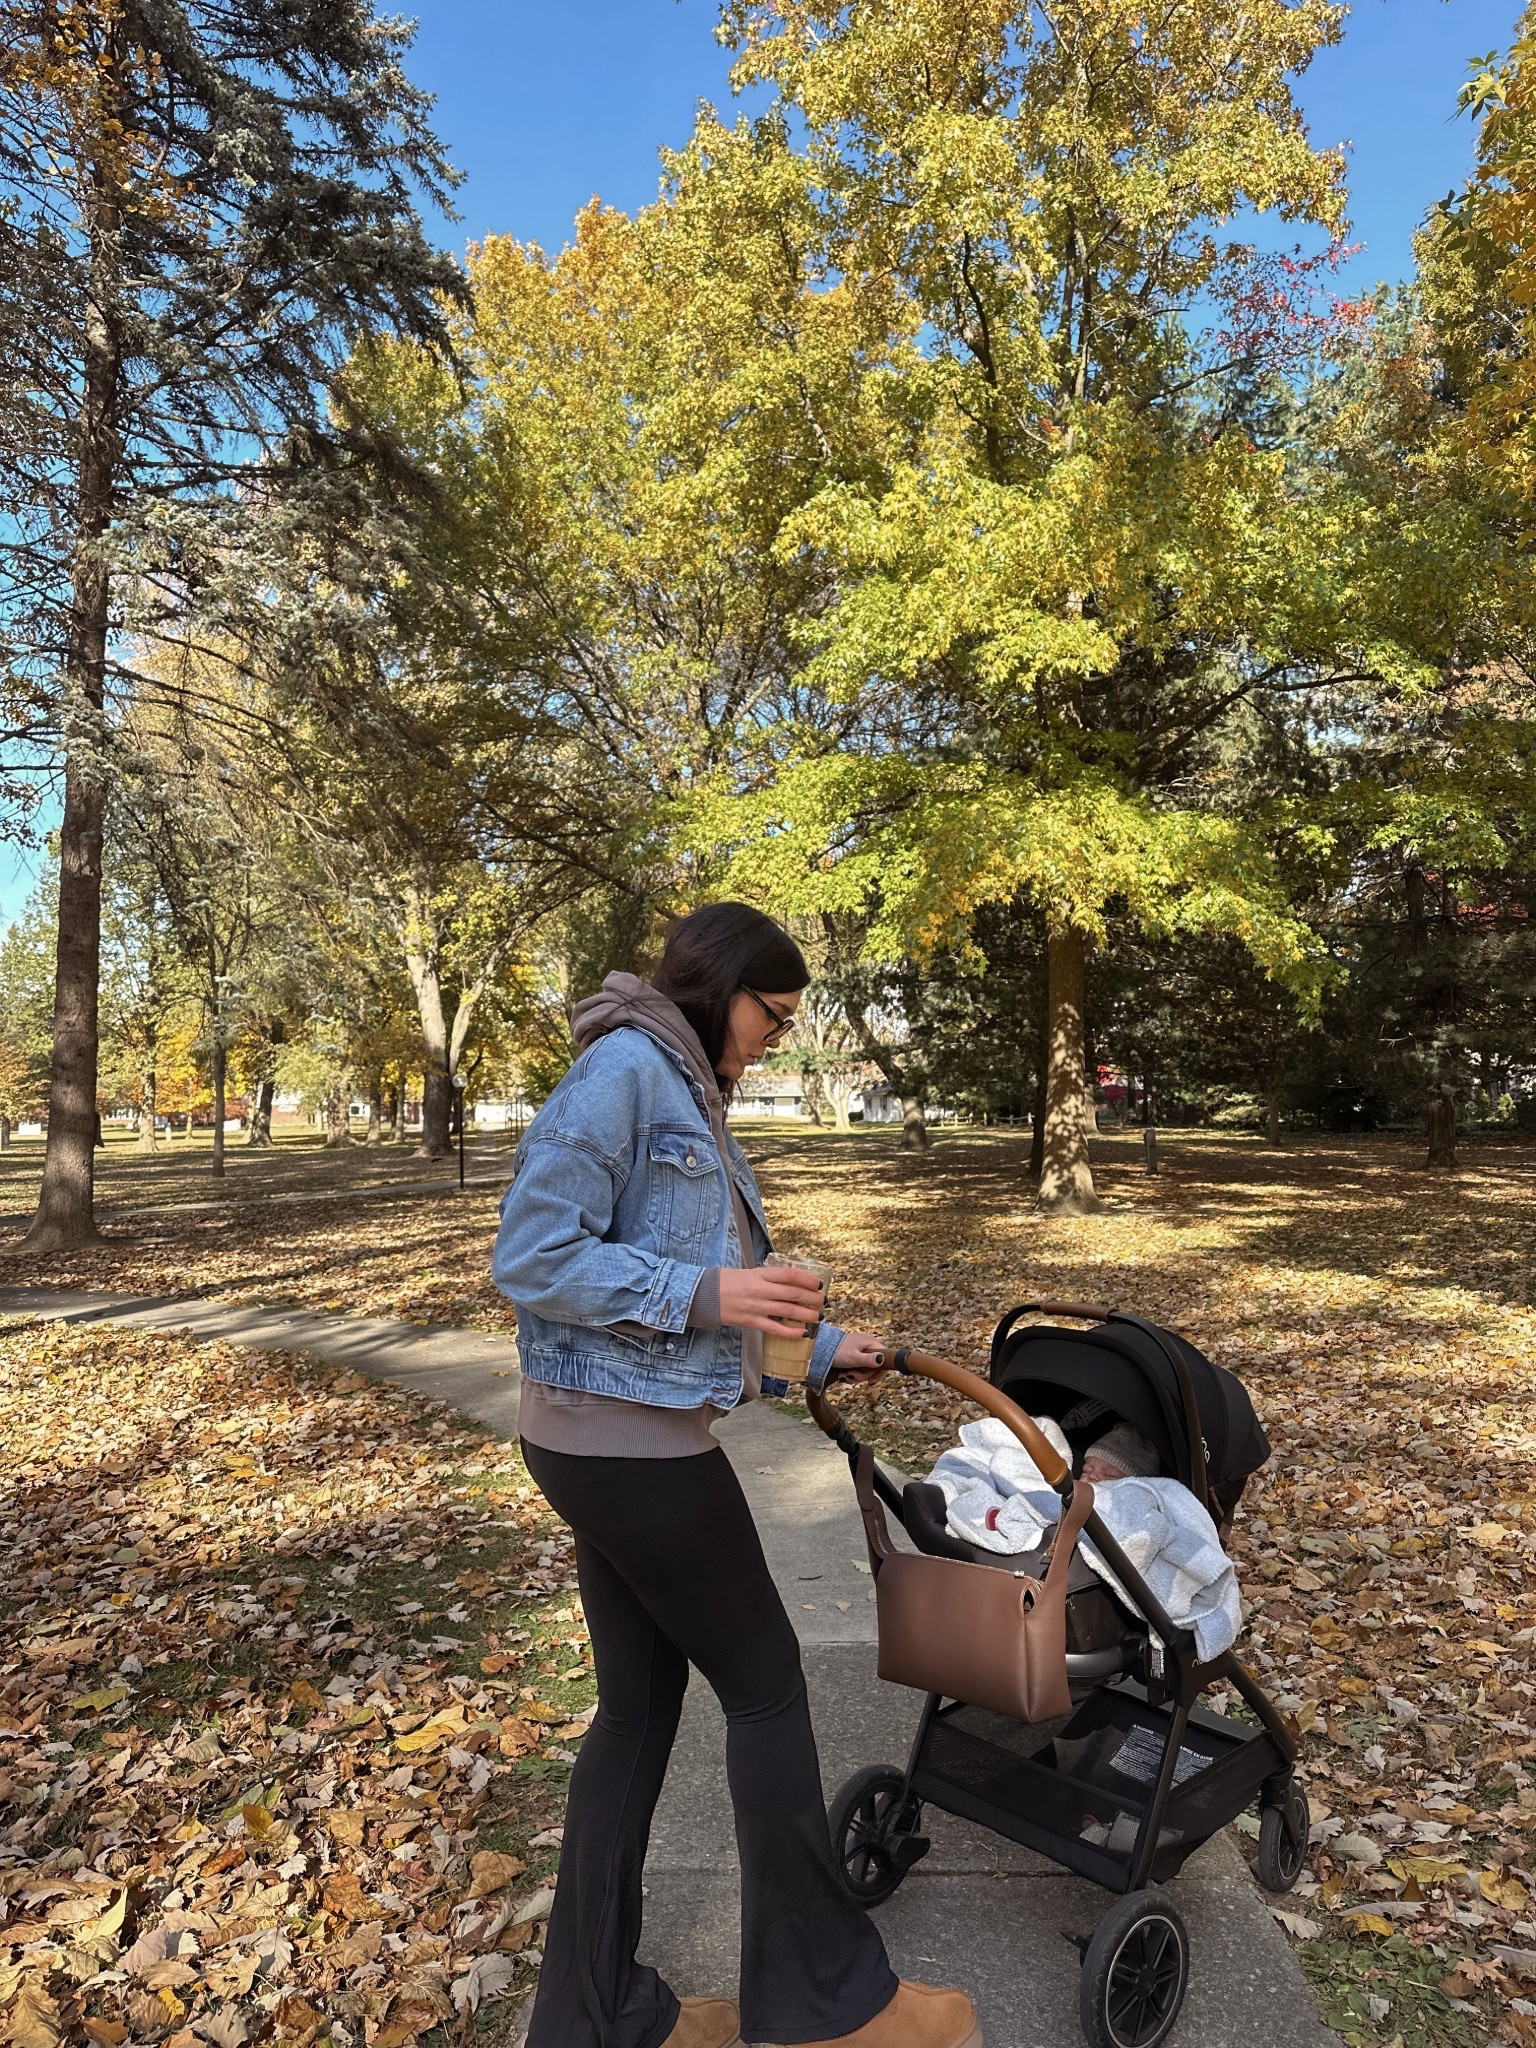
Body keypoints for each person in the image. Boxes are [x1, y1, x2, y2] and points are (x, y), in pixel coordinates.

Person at [493, 903, 981, 2048]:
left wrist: (815, 1347)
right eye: (775, 1010)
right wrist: (712, 1295)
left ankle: (594, 2015)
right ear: (722, 986)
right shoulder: (626, 1068)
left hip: (595, 1440)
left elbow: (714, 1283)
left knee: (635, 1711)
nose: (780, 1034)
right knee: (766, 1686)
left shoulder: (683, 1086)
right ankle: (828, 2004)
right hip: (631, 1450)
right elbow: (532, 1251)